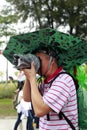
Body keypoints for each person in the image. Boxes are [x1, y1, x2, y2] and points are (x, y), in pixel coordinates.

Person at [23, 48, 78, 130]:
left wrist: (32, 78)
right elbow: (27, 98)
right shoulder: (46, 82)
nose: (36, 64)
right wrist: (28, 77)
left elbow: (39, 111)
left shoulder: (63, 80)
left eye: (38, 60)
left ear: (52, 60)